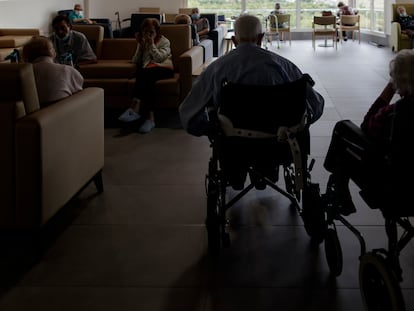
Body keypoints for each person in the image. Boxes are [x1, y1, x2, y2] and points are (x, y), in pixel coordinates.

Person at [179, 14, 324, 137]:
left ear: (234, 41)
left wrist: (208, 129)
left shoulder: (216, 68)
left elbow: (188, 112)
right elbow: (316, 104)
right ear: (261, 38)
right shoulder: (284, 66)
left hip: (232, 143)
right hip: (276, 143)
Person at [324, 49, 414, 215]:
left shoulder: (393, 114)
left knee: (343, 129)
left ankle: (339, 184)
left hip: (393, 189)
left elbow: (366, 127)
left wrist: (390, 88)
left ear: (398, 82)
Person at [117, 18, 174, 134]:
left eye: (151, 31)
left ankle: (134, 107)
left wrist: (151, 44)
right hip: (148, 72)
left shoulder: (165, 41)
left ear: (157, 31)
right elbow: (135, 61)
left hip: (164, 68)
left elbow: (159, 58)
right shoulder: (143, 42)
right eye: (145, 31)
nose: (148, 34)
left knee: (144, 73)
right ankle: (150, 118)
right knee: (147, 79)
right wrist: (141, 46)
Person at [21, 35, 83, 107]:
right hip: (64, 113)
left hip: (33, 115)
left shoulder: (23, 73)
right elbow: (79, 88)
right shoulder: (66, 69)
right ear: (52, 52)